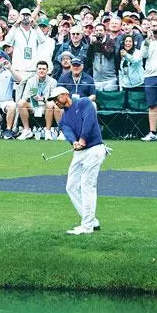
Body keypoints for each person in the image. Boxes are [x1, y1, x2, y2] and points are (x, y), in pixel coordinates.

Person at [47, 86, 107, 235]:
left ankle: (87, 226)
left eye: (56, 98)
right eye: (53, 100)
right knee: (71, 186)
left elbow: (89, 120)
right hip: (80, 152)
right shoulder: (63, 119)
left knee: (87, 185)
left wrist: (83, 138)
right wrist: (74, 142)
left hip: (95, 149)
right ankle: (91, 220)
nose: (55, 102)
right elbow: (67, 131)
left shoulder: (84, 102)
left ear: (65, 95)